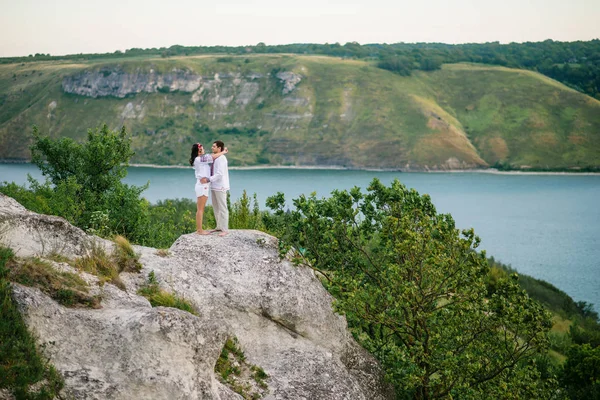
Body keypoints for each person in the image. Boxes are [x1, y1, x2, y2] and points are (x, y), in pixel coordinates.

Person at [190, 143, 227, 235]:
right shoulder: (199, 159)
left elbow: (212, 157)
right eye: (200, 149)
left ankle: (202, 229)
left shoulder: (201, 159)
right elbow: (213, 157)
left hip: (204, 185)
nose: (202, 150)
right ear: (197, 152)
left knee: (201, 209)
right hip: (203, 186)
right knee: (200, 209)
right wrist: (223, 152)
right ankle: (200, 230)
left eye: (202, 148)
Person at [200, 140, 229, 236]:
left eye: (214, 146)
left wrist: (208, 179)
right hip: (214, 186)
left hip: (220, 186)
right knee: (216, 207)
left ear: (219, 148)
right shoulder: (215, 158)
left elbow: (219, 174)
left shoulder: (222, 159)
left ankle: (225, 229)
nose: (212, 148)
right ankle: (219, 226)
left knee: (222, 207)